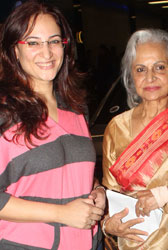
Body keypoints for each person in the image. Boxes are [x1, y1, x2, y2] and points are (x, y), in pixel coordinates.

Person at [0, 0, 106, 249]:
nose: (46, 53)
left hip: (88, 242)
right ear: (15, 50)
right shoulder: (5, 112)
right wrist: (60, 214)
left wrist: (98, 190)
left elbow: (76, 171)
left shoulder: (76, 108)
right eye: (33, 42)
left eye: (54, 41)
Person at [102, 28, 168, 249]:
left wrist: (165, 194)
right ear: (131, 76)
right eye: (140, 69)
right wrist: (108, 224)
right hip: (131, 242)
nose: (150, 77)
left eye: (160, 67)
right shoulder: (116, 128)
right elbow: (111, 197)